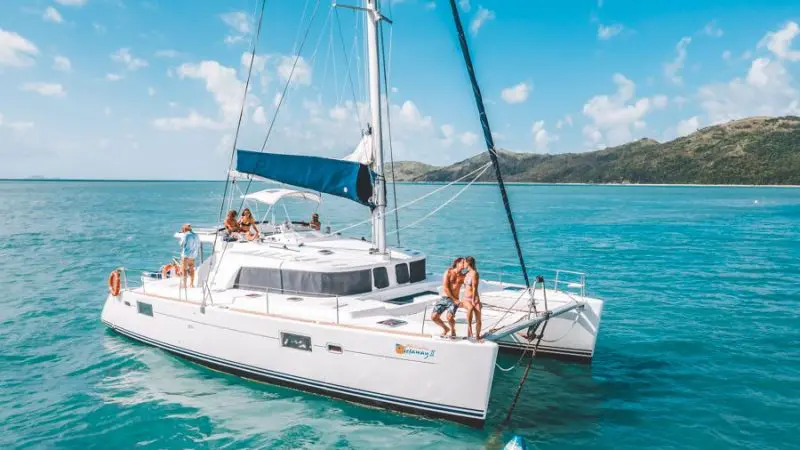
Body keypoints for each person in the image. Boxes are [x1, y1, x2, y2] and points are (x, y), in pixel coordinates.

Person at [430, 257, 466, 337]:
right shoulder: (448, 272)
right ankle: (446, 328)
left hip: (454, 300)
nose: (464, 265)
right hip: (445, 298)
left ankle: (453, 329)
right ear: (457, 263)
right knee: (434, 317)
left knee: (449, 317)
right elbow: (445, 288)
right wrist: (455, 299)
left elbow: (468, 288)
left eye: (465, 263)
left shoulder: (463, 276)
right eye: (463, 263)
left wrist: (463, 301)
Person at [462, 256, 482, 339]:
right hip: (466, 298)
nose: (463, 264)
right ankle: (469, 332)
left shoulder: (474, 273)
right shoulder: (466, 273)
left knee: (478, 319)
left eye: (464, 262)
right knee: (470, 309)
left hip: (474, 298)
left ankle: (477, 336)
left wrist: (474, 299)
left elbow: (474, 287)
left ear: (468, 263)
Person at [179, 224, 200, 288]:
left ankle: (184, 285)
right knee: (191, 269)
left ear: (184, 229)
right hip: (193, 255)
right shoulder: (196, 235)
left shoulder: (186, 235)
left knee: (184, 270)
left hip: (186, 255)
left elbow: (181, 244)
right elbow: (198, 244)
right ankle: (191, 284)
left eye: (182, 229)